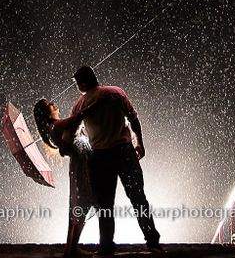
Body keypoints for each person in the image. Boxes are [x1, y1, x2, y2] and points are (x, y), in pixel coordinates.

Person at [70, 65, 163, 256]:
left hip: (99, 157)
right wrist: (140, 143)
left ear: (83, 83)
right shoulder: (115, 93)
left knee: (104, 205)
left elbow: (74, 133)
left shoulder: (79, 104)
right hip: (124, 152)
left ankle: (106, 246)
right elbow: (133, 119)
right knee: (138, 198)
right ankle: (152, 241)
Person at [33, 98, 95, 258]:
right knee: (82, 205)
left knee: (77, 206)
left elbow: (67, 146)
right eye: (49, 104)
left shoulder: (54, 128)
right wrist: (93, 103)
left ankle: (70, 248)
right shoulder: (57, 125)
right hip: (82, 168)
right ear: (47, 112)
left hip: (79, 167)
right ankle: (73, 248)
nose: (54, 104)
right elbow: (78, 118)